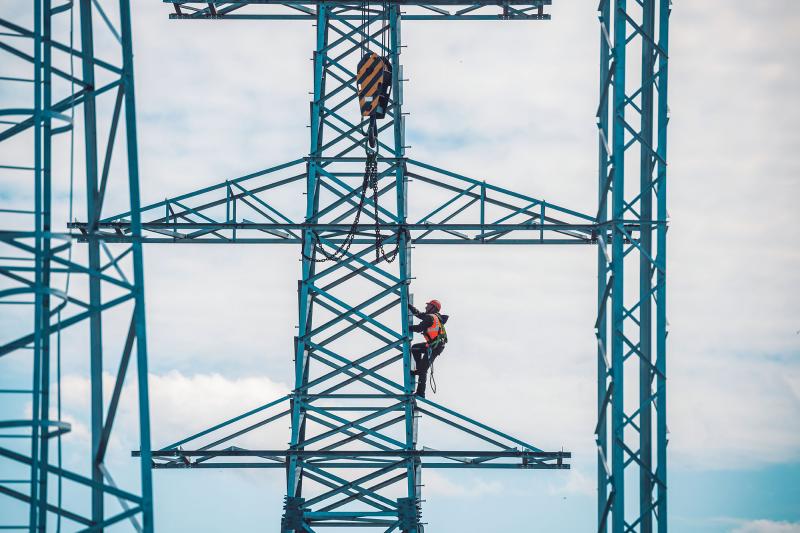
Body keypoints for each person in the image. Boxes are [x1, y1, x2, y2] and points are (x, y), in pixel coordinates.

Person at [408, 299, 449, 398]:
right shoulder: (433, 317)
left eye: (428, 306)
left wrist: (407, 327)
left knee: (423, 369)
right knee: (415, 348)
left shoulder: (431, 318)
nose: (426, 307)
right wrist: (408, 306)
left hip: (435, 347)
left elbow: (419, 328)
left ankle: (421, 393)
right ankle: (419, 368)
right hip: (434, 345)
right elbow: (418, 314)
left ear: (433, 308)